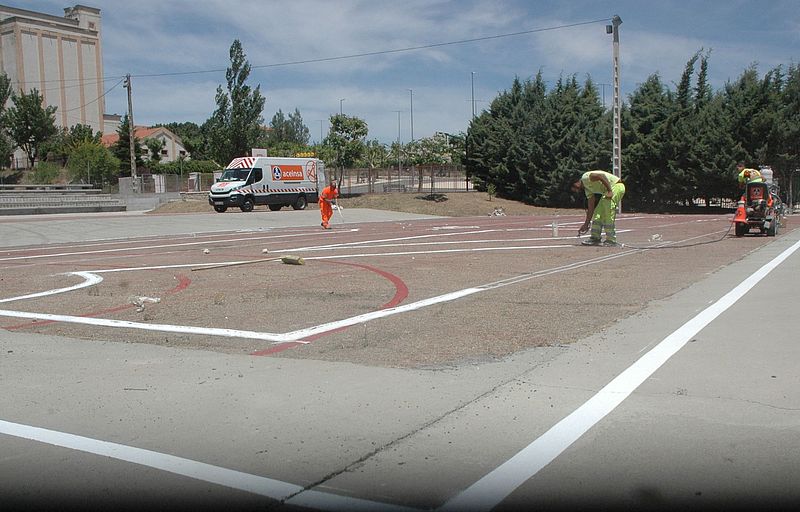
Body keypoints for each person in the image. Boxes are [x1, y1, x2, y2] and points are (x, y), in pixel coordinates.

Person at [571, 170, 626, 246]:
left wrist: (610, 191)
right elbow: (591, 208)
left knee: (607, 210)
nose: (576, 191)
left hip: (616, 186)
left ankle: (611, 240)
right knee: (597, 213)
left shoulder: (585, 177)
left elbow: (601, 176)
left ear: (576, 182)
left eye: (575, 188)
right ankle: (595, 238)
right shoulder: (587, 189)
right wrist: (586, 224)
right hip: (608, 191)